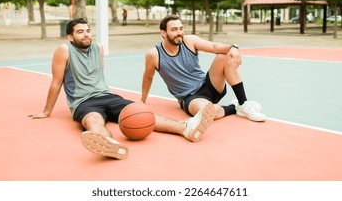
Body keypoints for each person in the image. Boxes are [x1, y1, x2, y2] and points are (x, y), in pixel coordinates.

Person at [29, 18, 214, 160]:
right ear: (70, 37)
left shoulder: (98, 48)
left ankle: (185, 128)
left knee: (141, 113)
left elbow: (98, 75)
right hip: (83, 101)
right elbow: (56, 81)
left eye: (88, 31)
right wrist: (47, 111)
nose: (86, 35)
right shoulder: (64, 50)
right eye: (80, 32)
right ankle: (109, 143)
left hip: (108, 96)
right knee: (93, 120)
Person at [141, 14, 266, 126]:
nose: (179, 32)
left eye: (181, 28)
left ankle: (243, 104)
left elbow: (214, 46)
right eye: (174, 30)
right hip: (190, 98)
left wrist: (233, 47)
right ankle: (234, 107)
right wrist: (142, 100)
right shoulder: (154, 55)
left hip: (209, 84)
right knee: (207, 112)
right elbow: (148, 77)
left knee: (223, 56)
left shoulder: (190, 41)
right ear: (163, 33)